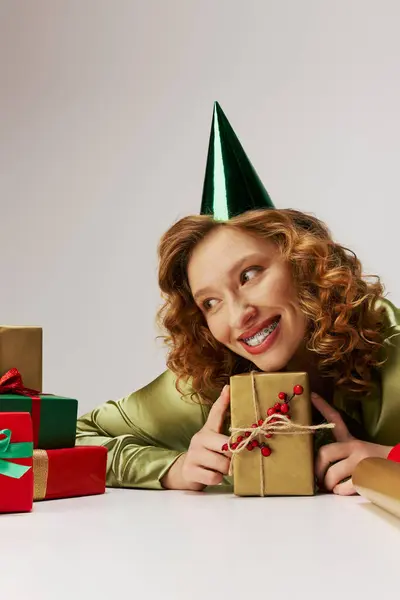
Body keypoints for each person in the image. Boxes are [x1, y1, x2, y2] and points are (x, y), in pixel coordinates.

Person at [76, 103, 400, 495]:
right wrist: (173, 468)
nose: (238, 315)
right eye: (210, 302)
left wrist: (391, 459)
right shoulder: (212, 380)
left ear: (300, 262)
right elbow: (77, 436)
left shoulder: (386, 340)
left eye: (250, 275)